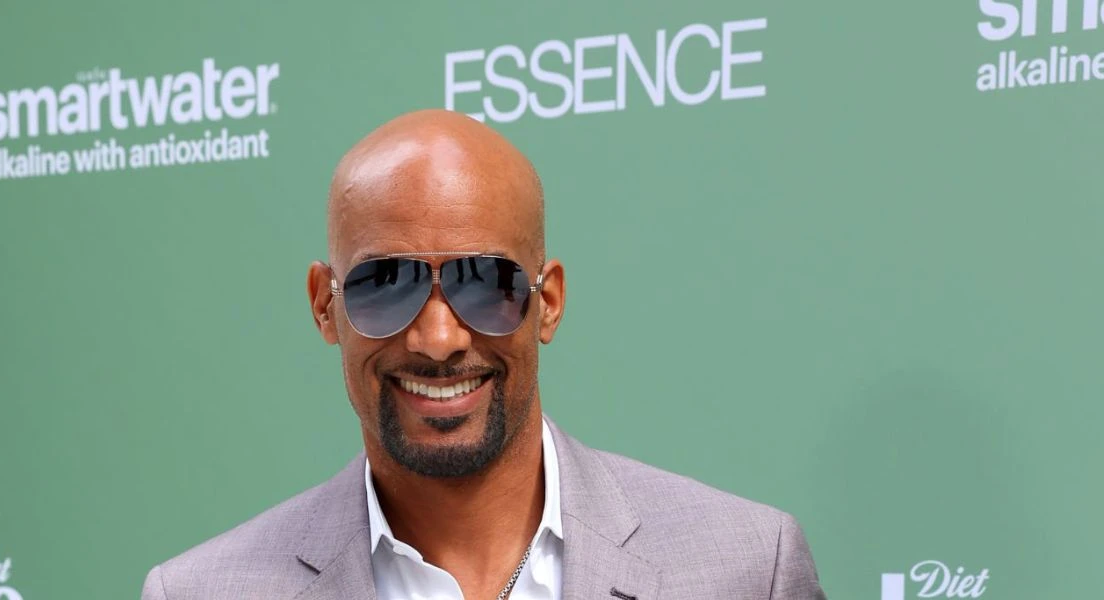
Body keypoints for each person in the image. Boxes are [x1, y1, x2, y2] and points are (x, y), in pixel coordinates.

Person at [140, 109, 827, 600]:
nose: (438, 338)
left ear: (547, 302)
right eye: (386, 285)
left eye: (486, 284)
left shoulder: (746, 572)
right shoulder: (200, 592)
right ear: (326, 305)